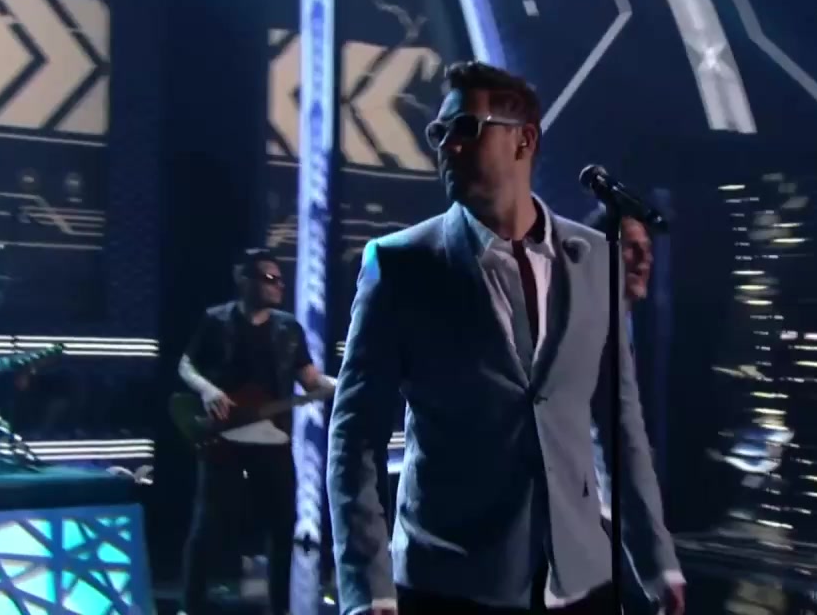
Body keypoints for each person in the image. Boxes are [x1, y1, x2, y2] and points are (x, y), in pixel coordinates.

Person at [328, 61, 685, 615]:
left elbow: (622, 426)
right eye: (439, 132)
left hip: (582, 580)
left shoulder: (596, 260)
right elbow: (355, 439)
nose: (447, 145)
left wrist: (658, 563)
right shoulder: (400, 264)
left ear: (525, 140)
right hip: (450, 581)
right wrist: (369, 591)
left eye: (465, 128)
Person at [178, 247, 336, 615]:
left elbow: (311, 380)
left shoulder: (289, 329)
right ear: (243, 279)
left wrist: (345, 385)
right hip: (224, 439)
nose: (278, 285)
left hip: (273, 441)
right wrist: (208, 390)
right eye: (268, 278)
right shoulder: (215, 320)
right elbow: (186, 365)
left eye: (280, 279)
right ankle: (191, 607)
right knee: (206, 528)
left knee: (282, 530)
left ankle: (280, 609)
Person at [583, 208, 659, 615]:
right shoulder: (583, 328)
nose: (644, 260)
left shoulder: (624, 326)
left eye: (647, 249)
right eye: (632, 248)